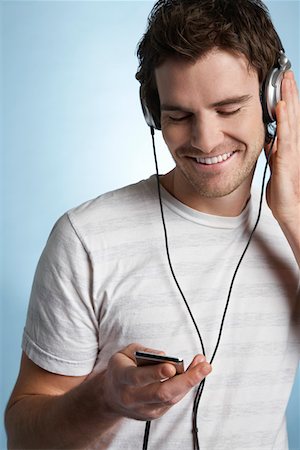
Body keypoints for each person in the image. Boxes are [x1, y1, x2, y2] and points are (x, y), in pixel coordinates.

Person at [5, 0, 300, 449]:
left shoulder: (294, 231)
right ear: (152, 111)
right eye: (179, 116)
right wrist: (104, 399)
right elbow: (25, 437)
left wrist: (293, 214)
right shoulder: (86, 239)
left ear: (275, 99)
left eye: (228, 109)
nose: (205, 141)